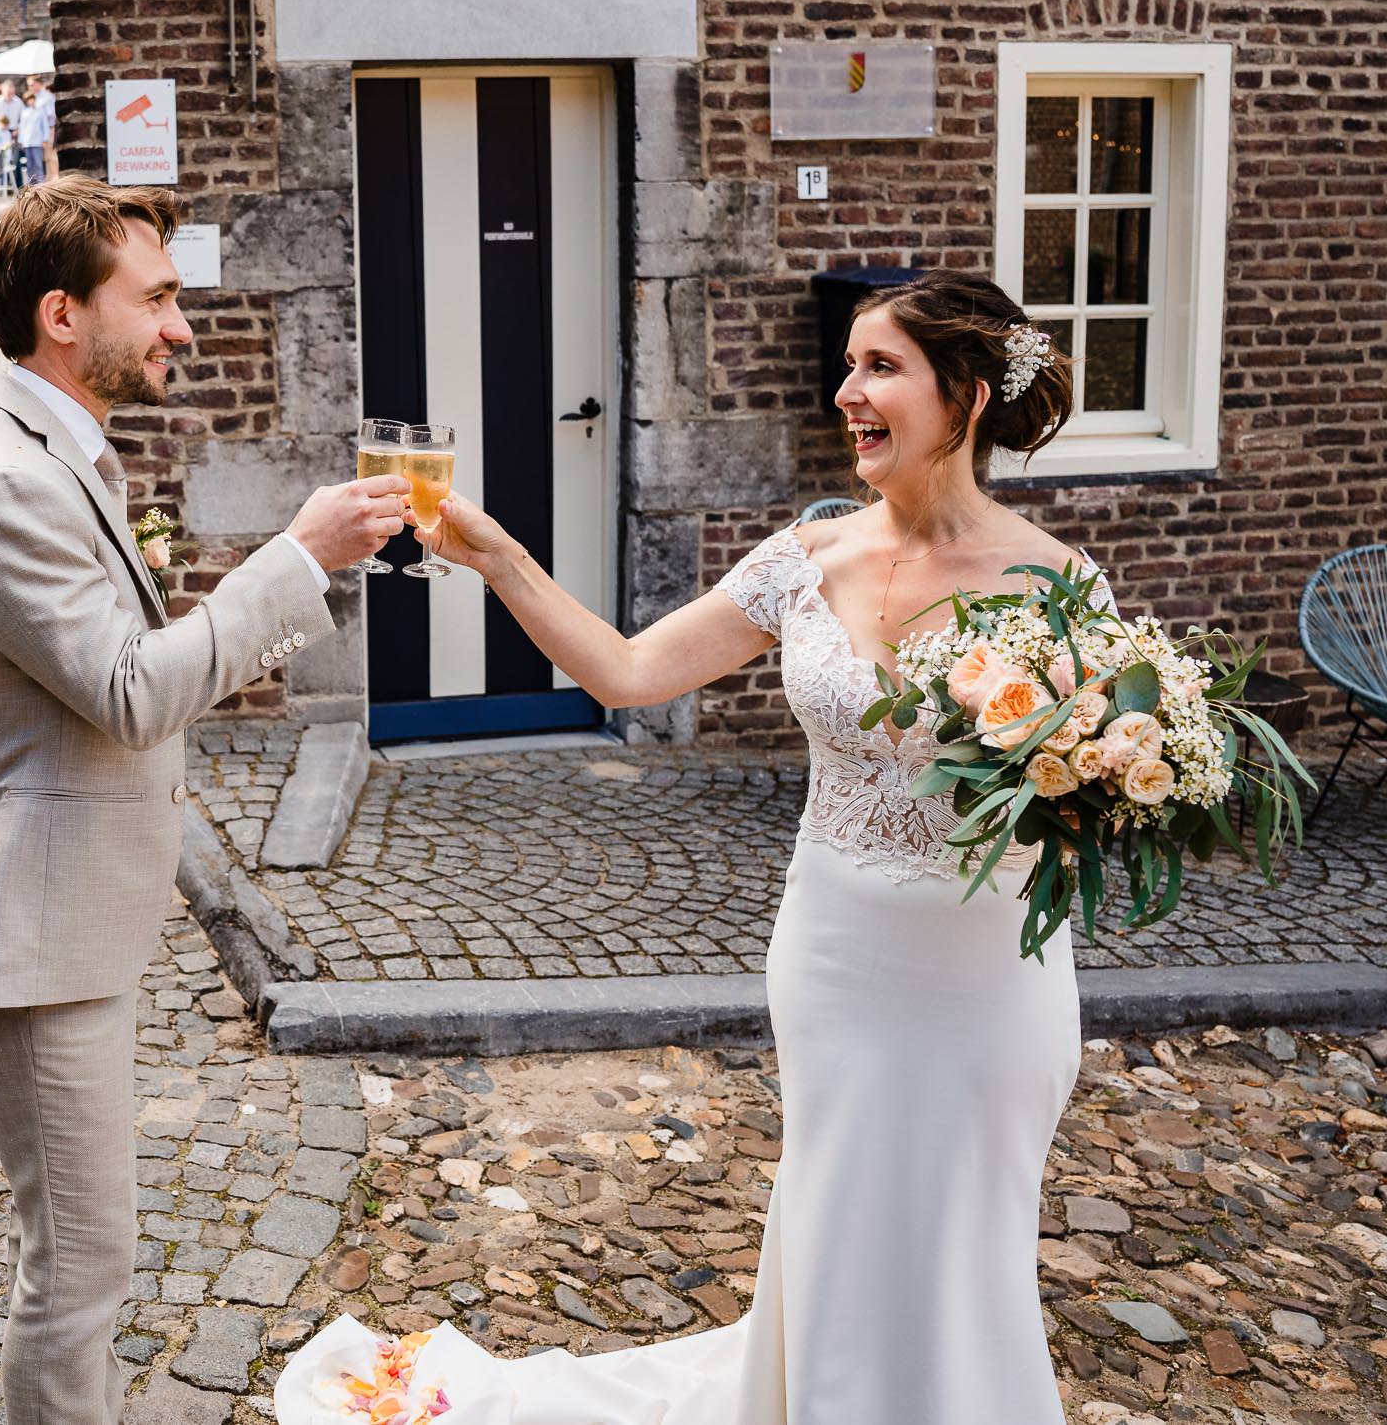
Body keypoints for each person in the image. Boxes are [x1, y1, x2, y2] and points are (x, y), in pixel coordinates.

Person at [290, 270, 1096, 1425]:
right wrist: (497, 554)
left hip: (992, 977)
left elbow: (1088, 796)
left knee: (969, 1225)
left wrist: (1104, 772)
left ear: (965, 396)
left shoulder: (1060, 584)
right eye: (848, 364)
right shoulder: (806, 556)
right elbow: (629, 670)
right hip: (840, 955)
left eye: (880, 367)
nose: (845, 391)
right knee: (838, 1209)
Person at [0, 173, 407, 1425]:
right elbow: (130, 693)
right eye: (159, 297)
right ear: (62, 314)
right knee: (78, 1267)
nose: (182, 325)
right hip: (29, 931)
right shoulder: (7, 484)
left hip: (65, 917)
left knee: (85, 1253)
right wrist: (296, 558)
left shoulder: (59, 451)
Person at [20, 76, 57, 185]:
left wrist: (40, 114)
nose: (30, 87)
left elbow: (51, 115)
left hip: (46, 131)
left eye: (32, 85)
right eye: (28, 85)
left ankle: (49, 184)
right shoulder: (29, 105)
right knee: (33, 163)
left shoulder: (47, 97)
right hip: (31, 137)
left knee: (48, 159)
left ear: (38, 83)